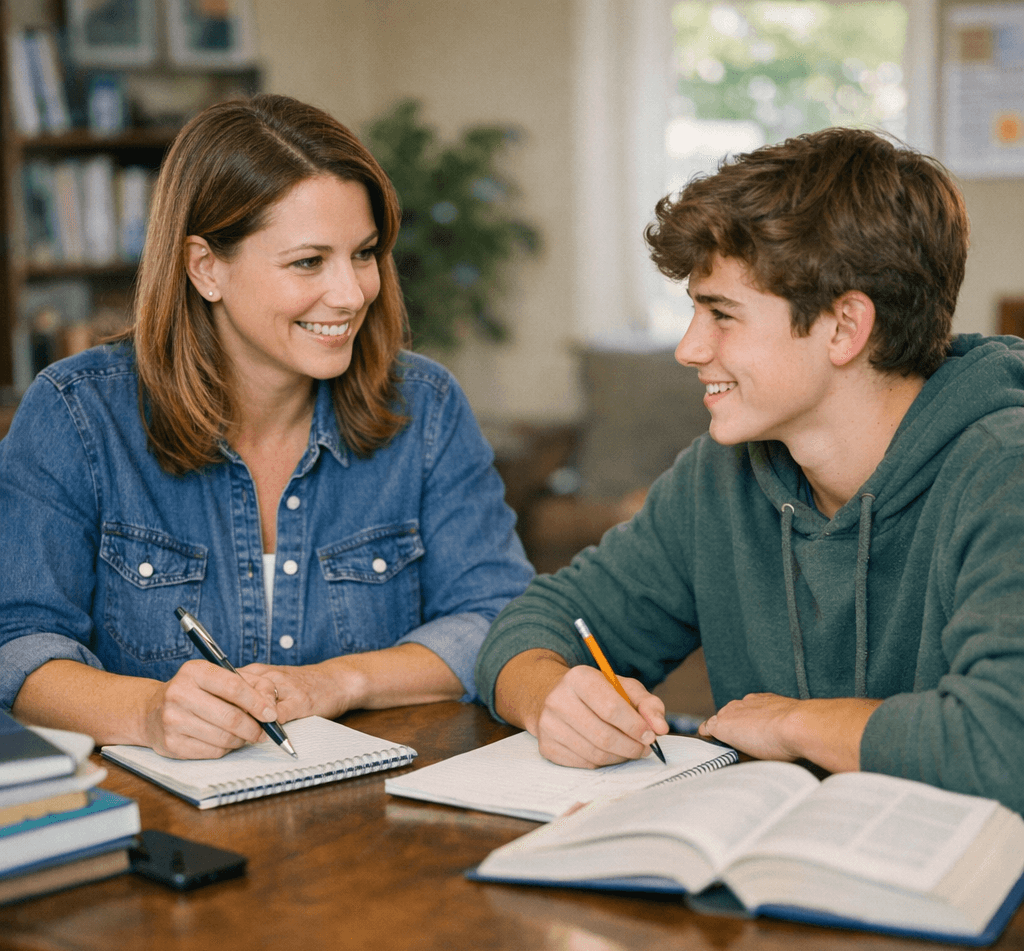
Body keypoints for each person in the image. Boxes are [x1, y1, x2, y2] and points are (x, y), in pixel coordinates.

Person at [475, 127, 1024, 814]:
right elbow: (537, 621)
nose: (689, 348)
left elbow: (1004, 745)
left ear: (844, 327)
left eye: (721, 313)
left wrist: (793, 723)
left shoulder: (1004, 471)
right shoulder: (721, 475)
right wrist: (549, 696)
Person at [0, 94, 534, 759]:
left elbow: (499, 619)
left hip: (371, 806)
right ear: (206, 267)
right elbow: (18, 644)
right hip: (157, 811)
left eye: (364, 253)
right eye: (308, 262)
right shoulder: (76, 412)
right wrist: (148, 712)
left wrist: (337, 681)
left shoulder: (426, 408)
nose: (351, 294)